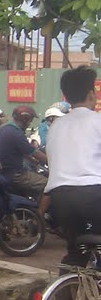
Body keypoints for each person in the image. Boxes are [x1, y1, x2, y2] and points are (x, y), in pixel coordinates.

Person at [44, 67, 101, 267]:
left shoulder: (55, 126)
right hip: (93, 195)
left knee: (77, 251)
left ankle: (63, 293)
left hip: (60, 199)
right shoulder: (98, 121)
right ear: (91, 94)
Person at [0, 105, 48, 199]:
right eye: (30, 120)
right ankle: (40, 212)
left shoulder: (4, 129)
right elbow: (35, 153)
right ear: (25, 119)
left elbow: (22, 150)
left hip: (2, 171)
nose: (30, 123)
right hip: (15, 174)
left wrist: (34, 161)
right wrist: (53, 162)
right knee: (48, 185)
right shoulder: (16, 134)